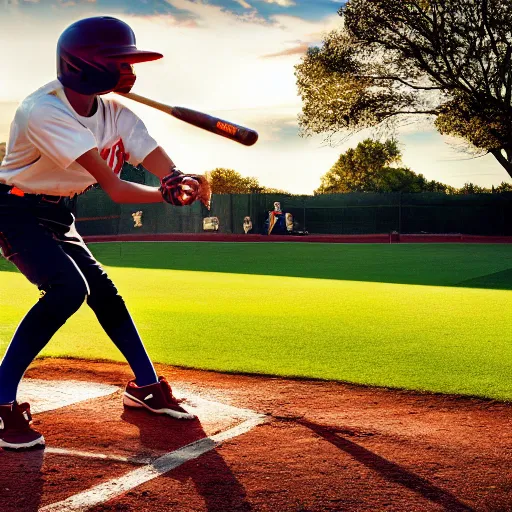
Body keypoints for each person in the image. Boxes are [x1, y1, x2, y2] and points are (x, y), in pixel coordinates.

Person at [0, 16, 210, 450]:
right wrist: (167, 195)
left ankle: (146, 388)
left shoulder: (116, 113)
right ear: (85, 65)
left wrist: (179, 179)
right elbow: (115, 188)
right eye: (121, 62)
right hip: (14, 208)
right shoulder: (44, 110)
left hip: (57, 211)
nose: (131, 72)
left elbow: (158, 163)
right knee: (65, 291)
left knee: (105, 294)